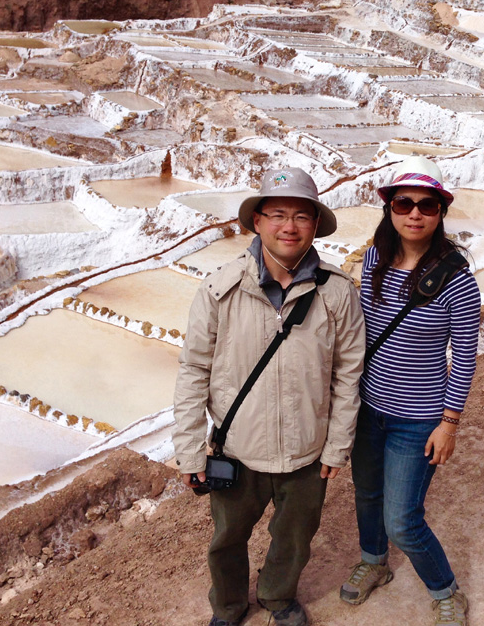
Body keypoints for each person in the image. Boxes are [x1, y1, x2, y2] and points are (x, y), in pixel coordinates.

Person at [173, 168, 365, 626]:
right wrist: (188, 450)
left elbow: (348, 374)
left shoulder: (336, 293)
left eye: (301, 216)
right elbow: (193, 371)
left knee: (295, 537)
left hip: (307, 449)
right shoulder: (220, 290)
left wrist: (337, 446)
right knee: (227, 539)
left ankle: (279, 598)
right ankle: (230, 606)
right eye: (277, 214)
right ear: (257, 222)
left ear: (315, 225)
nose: (289, 226)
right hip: (238, 448)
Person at [340, 156, 481, 626]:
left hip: (417, 419)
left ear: (440, 213)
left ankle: (445, 592)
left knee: (403, 518)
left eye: (427, 205)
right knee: (367, 495)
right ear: (390, 209)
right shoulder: (375, 258)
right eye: (404, 203)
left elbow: (463, 357)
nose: (415, 213)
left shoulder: (457, 280)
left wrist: (449, 424)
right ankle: (374, 563)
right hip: (367, 408)